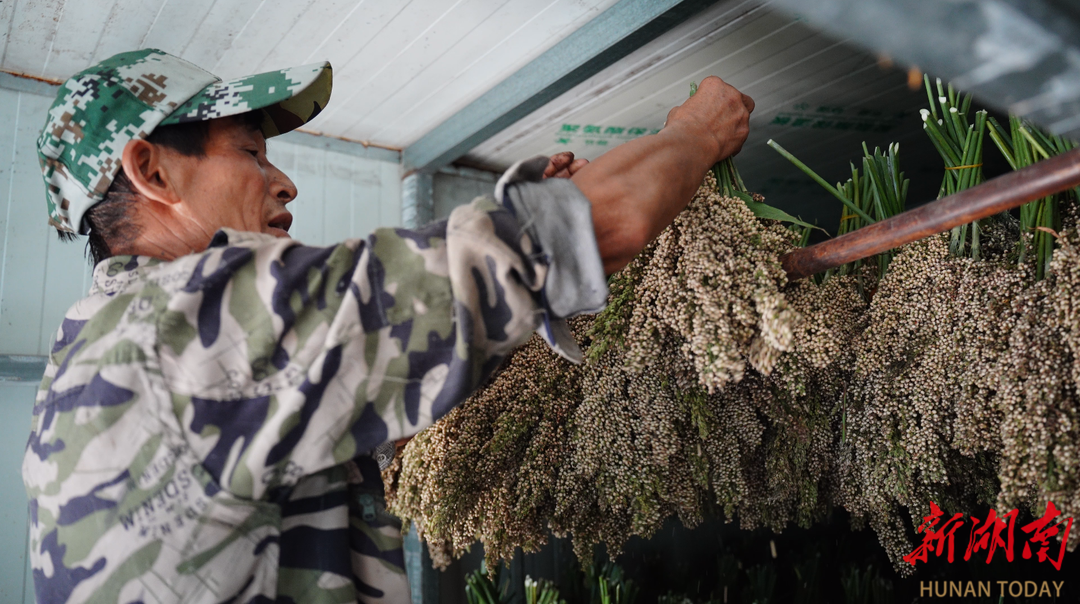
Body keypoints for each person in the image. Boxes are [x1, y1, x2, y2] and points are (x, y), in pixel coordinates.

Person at [23, 49, 752, 603]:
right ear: (151, 170)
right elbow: (603, 226)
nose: (284, 183)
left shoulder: (106, 343)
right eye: (249, 152)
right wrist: (696, 132)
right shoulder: (187, 320)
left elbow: (364, 400)